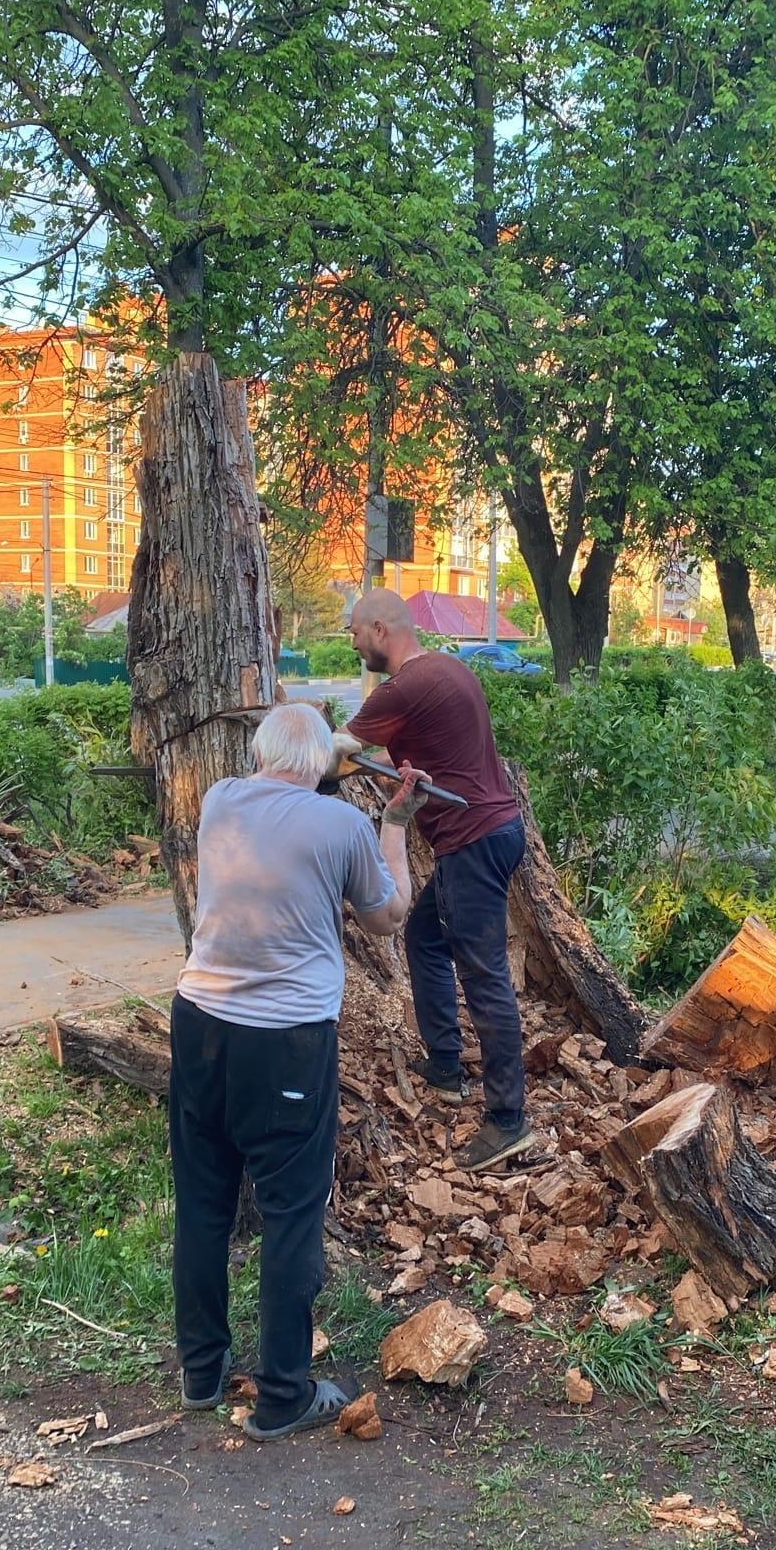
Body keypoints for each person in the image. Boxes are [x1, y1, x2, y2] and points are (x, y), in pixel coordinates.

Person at [170, 701, 425, 1442]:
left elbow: (287, 773)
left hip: (200, 1025)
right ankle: (282, 1394)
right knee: (289, 1214)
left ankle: (201, 1371)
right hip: (284, 1039)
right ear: (326, 766)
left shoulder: (221, 799)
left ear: (258, 755)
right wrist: (397, 823)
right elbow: (388, 915)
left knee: (204, 1202)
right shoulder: (342, 825)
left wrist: (326, 755)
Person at [338, 588, 534, 1172]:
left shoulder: (404, 688)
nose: (351, 643)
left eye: (353, 632)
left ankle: (507, 1121)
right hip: (494, 832)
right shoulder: (451, 668)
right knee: (424, 937)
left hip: (472, 843)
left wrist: (281, 743)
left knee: (485, 976)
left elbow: (336, 754)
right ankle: (445, 1064)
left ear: (380, 629)